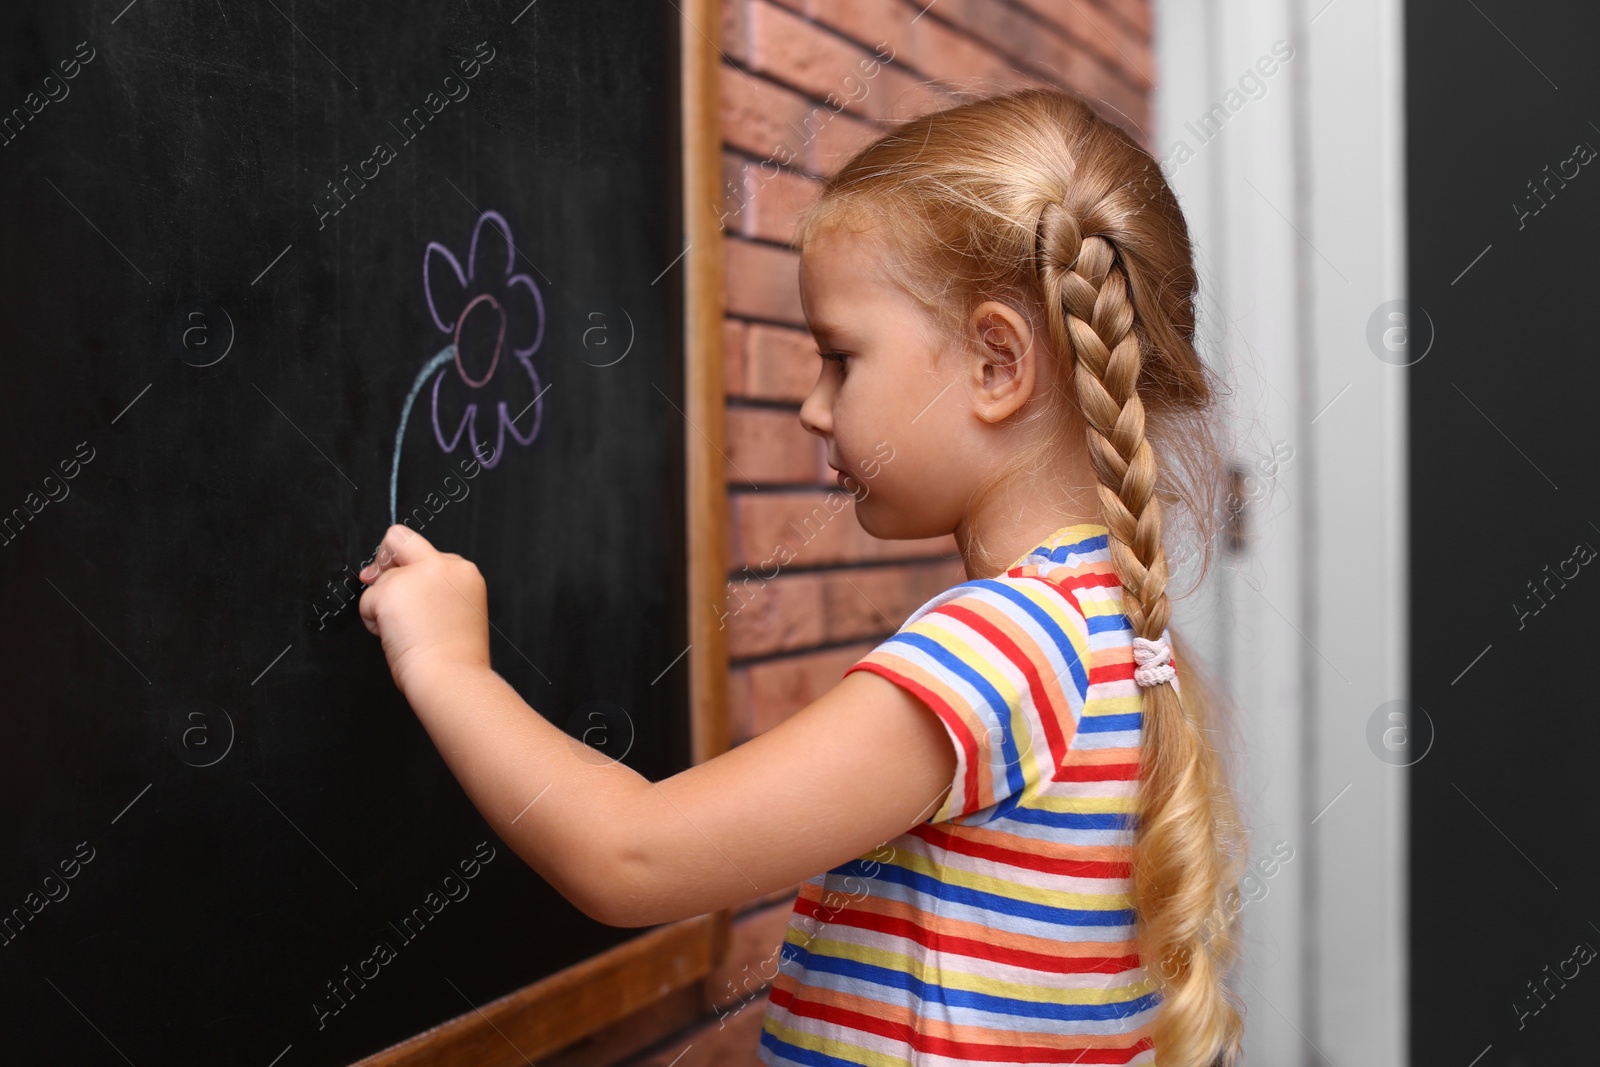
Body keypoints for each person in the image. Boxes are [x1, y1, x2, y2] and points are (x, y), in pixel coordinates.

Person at [358, 86, 1251, 1067]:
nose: (812, 408)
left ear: (998, 361)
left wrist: (450, 668)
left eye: (838, 356)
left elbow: (631, 853)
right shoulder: (1105, 628)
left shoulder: (1000, 647)